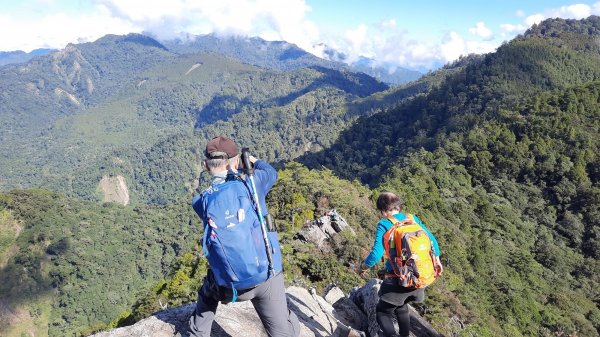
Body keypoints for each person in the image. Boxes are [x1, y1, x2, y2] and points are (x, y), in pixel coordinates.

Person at [188, 135, 299, 337]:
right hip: (266, 277)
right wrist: (253, 162)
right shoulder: (252, 185)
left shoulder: (201, 202)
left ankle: (198, 333)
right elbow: (271, 173)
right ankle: (286, 320)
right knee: (285, 331)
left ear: (205, 166)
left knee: (207, 293)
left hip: (229, 287)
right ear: (237, 161)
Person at [356, 192, 443, 337]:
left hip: (398, 280)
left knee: (382, 312)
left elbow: (376, 253)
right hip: (419, 279)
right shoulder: (411, 218)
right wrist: (437, 261)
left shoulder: (384, 224)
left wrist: (361, 268)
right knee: (401, 307)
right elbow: (432, 239)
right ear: (398, 206)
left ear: (384, 210)